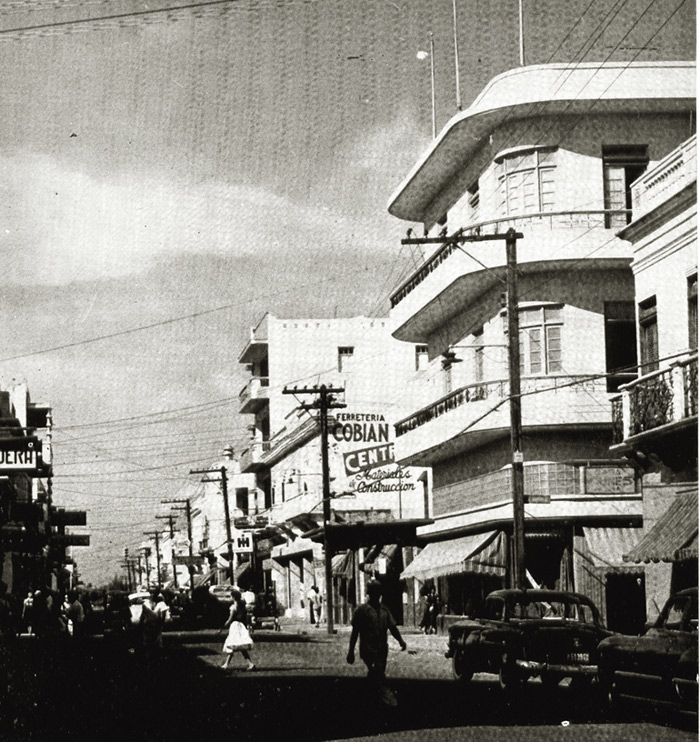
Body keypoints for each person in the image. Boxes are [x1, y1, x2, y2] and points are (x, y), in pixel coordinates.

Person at [347, 580, 406, 705]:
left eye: (378, 593)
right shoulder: (361, 611)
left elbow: (392, 627)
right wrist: (351, 651)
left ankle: (368, 698)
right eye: (373, 593)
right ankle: (389, 701)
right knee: (377, 672)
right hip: (368, 649)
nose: (376, 596)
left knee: (376, 674)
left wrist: (401, 641)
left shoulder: (385, 610)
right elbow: (355, 632)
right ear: (369, 594)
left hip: (382, 649)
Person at [221, 589, 255, 671]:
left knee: (232, 644)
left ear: (233, 597)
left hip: (235, 626)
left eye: (231, 596)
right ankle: (250, 664)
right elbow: (246, 617)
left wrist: (224, 625)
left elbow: (230, 619)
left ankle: (226, 665)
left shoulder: (234, 607)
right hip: (241, 626)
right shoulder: (242, 606)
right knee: (239, 645)